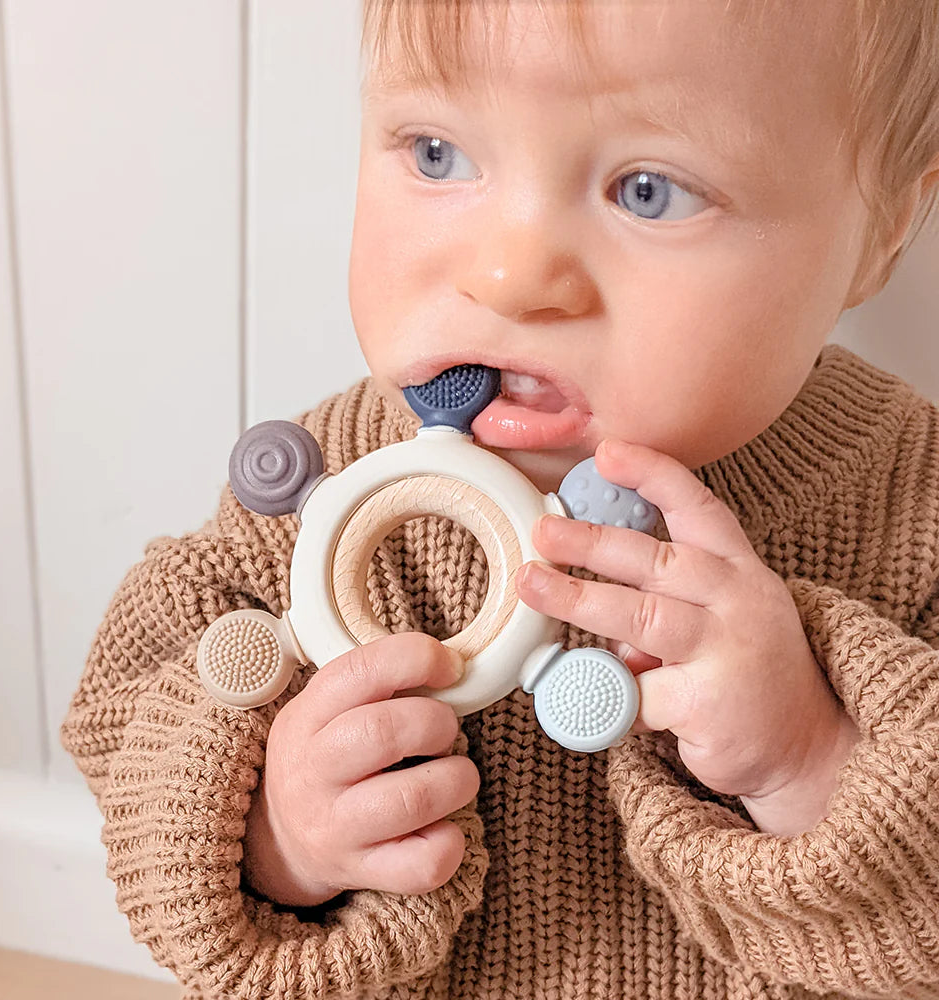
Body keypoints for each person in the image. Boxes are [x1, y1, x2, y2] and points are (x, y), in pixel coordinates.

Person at [62, 1, 939, 997]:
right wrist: (278, 836)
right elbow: (123, 723)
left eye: (648, 191)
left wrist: (810, 762)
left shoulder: (910, 500)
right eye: (437, 155)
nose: (510, 276)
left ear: (881, 232)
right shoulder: (331, 496)